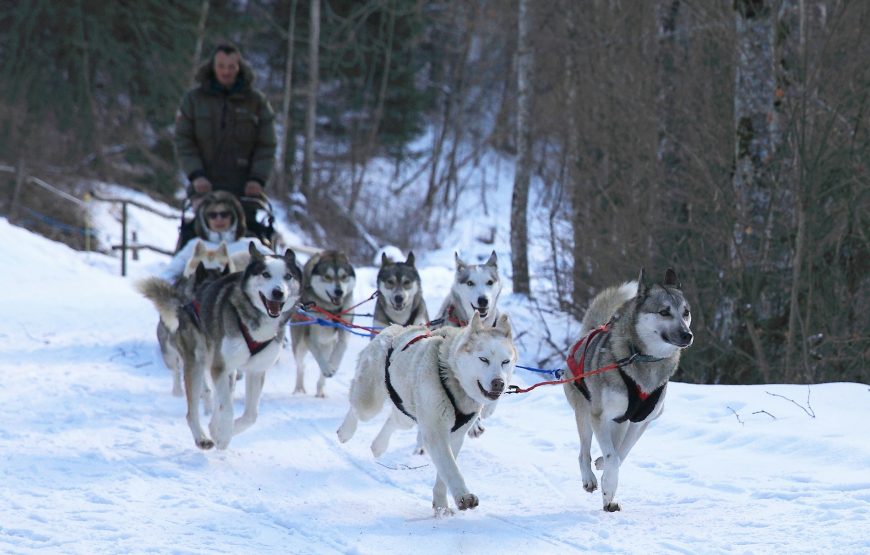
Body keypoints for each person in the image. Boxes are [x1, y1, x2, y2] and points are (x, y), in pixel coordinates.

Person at [173, 42, 277, 239]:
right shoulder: (193, 100)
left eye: (231, 67)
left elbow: (267, 145)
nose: (226, 72)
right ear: (213, 66)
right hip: (205, 186)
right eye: (221, 66)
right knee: (194, 241)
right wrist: (196, 175)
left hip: (244, 189)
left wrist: (257, 179)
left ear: (239, 67)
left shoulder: (256, 102)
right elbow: (183, 140)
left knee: (252, 242)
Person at [160, 191, 267, 282]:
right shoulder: (194, 245)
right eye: (212, 215)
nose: (218, 219)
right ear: (205, 219)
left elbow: (277, 267)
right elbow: (167, 276)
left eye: (224, 214)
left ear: (234, 217)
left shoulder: (250, 245)